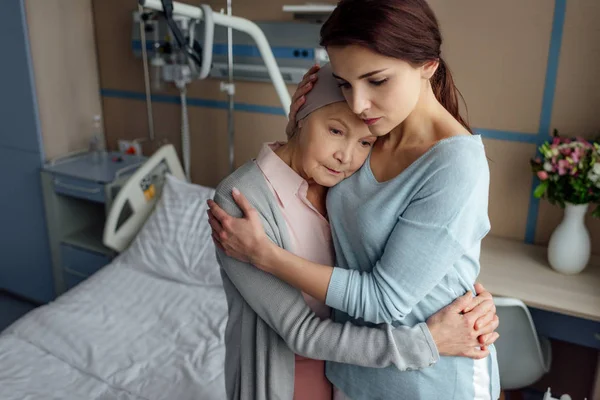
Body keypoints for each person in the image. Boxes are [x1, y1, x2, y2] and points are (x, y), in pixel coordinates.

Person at [208, 62, 499, 400]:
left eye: (364, 143)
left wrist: (461, 291)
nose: (345, 156)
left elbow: (389, 252)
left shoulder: (341, 184)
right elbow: (302, 332)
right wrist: (427, 341)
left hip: (350, 375)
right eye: (335, 131)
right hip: (290, 380)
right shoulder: (240, 202)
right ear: (301, 115)